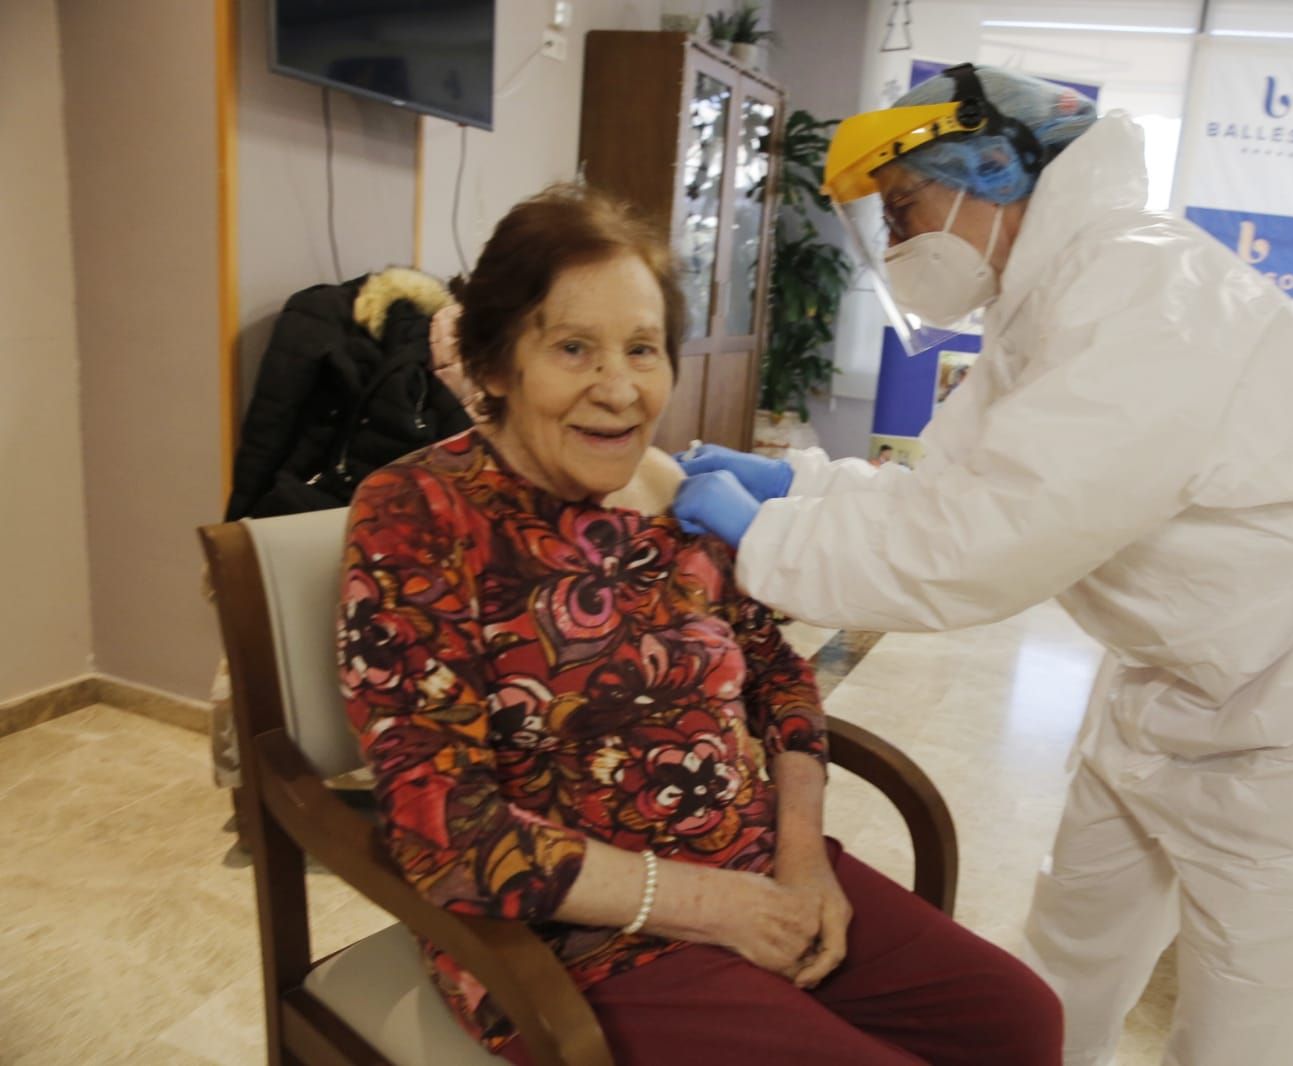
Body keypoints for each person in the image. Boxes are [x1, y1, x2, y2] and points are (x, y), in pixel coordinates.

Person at [673, 65, 1293, 1066]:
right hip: (1174, 666)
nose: (901, 246)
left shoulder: (1145, 289)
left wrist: (762, 538)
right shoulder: (1045, 301)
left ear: (994, 166)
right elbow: (943, 495)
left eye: (905, 210)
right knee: (1072, 948)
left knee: (1251, 1016)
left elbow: (976, 549)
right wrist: (792, 487)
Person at [336, 183, 1062, 1066]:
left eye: (643, 349)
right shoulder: (419, 514)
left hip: (755, 869)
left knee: (1019, 1022)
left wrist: (800, 859)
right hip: (571, 938)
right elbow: (442, 826)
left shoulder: (676, 493)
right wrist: (713, 908)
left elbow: (777, 676)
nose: (618, 388)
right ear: (495, 366)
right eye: (572, 348)